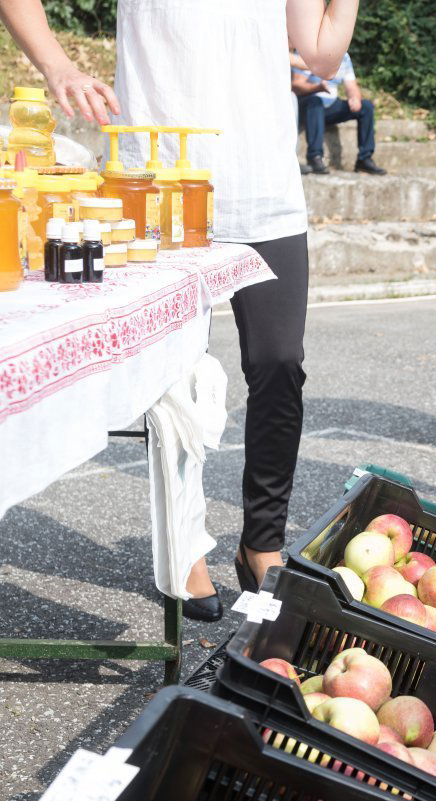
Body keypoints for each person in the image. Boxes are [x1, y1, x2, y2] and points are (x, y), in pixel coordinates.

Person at [0, 0, 359, 620]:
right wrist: (57, 66)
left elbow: (321, 53)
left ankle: (261, 543)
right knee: (175, 379)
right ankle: (187, 547)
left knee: (279, 365)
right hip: (157, 182)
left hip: (263, 185)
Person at [293, 51, 386, 176]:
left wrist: (354, 98)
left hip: (331, 106)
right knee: (316, 102)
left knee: (366, 107)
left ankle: (364, 159)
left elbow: (351, 86)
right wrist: (316, 88)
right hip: (307, 104)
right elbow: (296, 85)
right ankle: (314, 157)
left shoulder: (344, 57)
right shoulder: (307, 50)